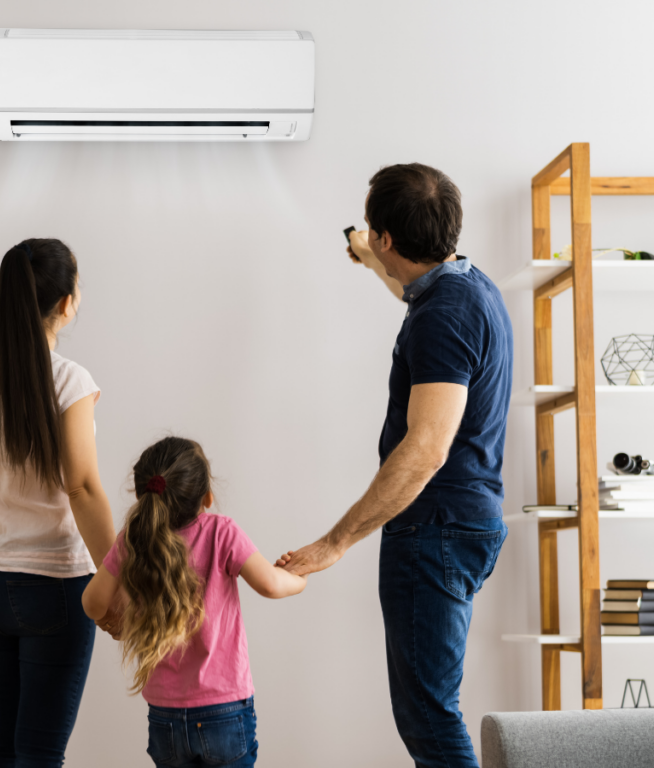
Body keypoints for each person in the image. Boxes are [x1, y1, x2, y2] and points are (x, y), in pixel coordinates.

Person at [278, 164, 513, 768]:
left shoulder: (443, 314)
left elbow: (426, 448)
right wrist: (371, 258)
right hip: (464, 522)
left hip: (434, 527)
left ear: (388, 237)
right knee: (430, 710)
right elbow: (415, 292)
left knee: (428, 717)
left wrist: (338, 541)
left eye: (374, 234)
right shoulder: (466, 285)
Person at [0, 238, 119, 768]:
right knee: (39, 754)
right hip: (54, 586)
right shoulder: (70, 381)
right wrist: (121, 574)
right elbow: (82, 487)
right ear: (66, 303)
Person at [82, 437, 307, 768]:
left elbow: (92, 603)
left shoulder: (133, 538)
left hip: (165, 715)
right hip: (224, 708)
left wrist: (118, 623)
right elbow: (271, 585)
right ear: (207, 496)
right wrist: (300, 578)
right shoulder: (221, 532)